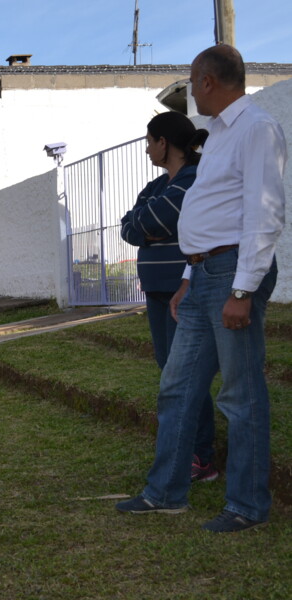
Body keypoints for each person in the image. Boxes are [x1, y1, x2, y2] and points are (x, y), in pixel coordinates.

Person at [116, 44, 287, 532]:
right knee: (176, 386)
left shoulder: (256, 129)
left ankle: (247, 506)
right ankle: (166, 492)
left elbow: (264, 214)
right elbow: (213, 216)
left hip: (234, 275)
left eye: (192, 82)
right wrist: (189, 277)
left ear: (210, 81)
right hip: (204, 276)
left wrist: (243, 290)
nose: (190, 91)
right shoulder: (218, 138)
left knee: (240, 394)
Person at [120, 112, 217, 483]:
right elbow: (129, 226)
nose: (146, 149)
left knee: (185, 375)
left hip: (184, 289)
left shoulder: (192, 180)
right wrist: (148, 230)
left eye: (149, 141)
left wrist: (148, 228)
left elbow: (153, 221)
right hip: (157, 292)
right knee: (168, 371)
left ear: (164, 143)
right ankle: (187, 447)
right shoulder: (156, 187)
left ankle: (200, 455)